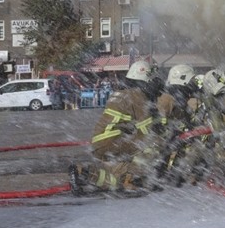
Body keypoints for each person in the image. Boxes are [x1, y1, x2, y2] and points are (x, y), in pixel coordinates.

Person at [69, 59, 164, 195]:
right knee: (152, 144)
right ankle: (131, 179)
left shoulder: (120, 93)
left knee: (114, 177)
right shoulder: (137, 96)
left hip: (100, 142)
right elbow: (146, 129)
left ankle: (82, 172)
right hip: (113, 140)